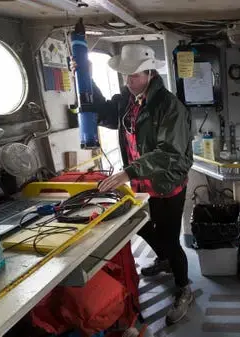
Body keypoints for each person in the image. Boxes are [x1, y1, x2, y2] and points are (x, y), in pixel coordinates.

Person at [74, 44, 194, 324]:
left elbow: (170, 152)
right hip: (141, 181)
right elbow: (104, 112)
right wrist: (85, 75)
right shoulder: (128, 100)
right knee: (138, 225)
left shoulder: (169, 106)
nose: (129, 81)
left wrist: (128, 172)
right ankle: (164, 258)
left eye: (135, 76)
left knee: (169, 238)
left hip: (166, 183)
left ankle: (184, 287)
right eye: (126, 76)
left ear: (150, 73)